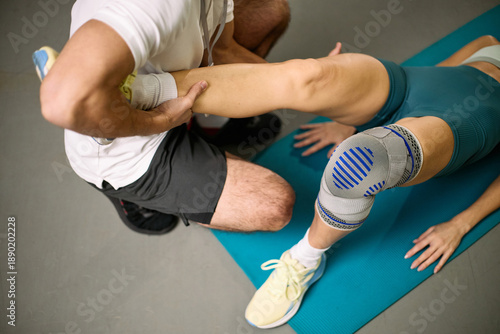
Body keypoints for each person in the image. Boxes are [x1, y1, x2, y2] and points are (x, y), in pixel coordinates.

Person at [39, 33, 500, 327]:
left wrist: (463, 222)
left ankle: (305, 258)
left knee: (358, 163)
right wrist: (352, 117)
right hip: (416, 85)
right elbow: (454, 65)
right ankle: (134, 91)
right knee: (309, 75)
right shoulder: (489, 37)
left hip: (461, 127)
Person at [36, 0, 296, 235]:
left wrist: (303, 79)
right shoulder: (156, 5)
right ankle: (125, 192)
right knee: (274, 205)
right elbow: (61, 103)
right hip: (128, 143)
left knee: (269, 13)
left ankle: (208, 126)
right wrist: (159, 122)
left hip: (170, 85)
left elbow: (222, 49)